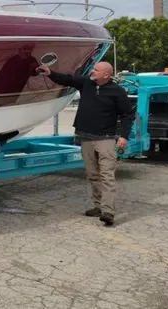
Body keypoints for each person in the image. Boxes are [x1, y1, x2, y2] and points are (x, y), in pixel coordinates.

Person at [36, 61, 134, 226]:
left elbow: (127, 115)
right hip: (86, 138)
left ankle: (108, 212)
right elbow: (67, 79)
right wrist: (49, 72)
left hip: (105, 139)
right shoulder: (86, 83)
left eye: (96, 69)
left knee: (107, 175)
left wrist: (124, 136)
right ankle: (98, 206)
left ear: (106, 75)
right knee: (93, 175)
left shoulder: (117, 91)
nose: (92, 71)